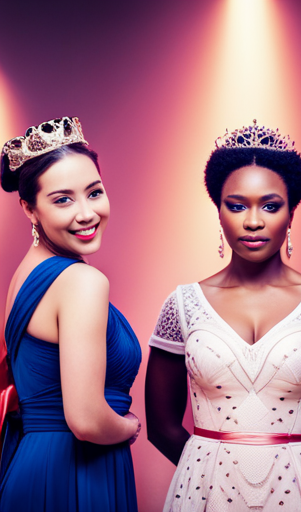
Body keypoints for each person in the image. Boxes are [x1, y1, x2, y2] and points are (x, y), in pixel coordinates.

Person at [145, 121, 301, 512]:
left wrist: (297, 474)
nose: (252, 221)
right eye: (236, 205)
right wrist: (208, 474)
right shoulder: (181, 304)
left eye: (270, 205)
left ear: (291, 212)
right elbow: (162, 426)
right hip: (204, 498)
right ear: (219, 211)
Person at [0, 117, 142, 512]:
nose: (87, 213)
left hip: (31, 464)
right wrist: (129, 426)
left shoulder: (24, 275)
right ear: (29, 208)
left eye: (94, 192)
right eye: (63, 199)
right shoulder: (82, 281)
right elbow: (87, 420)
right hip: (76, 472)